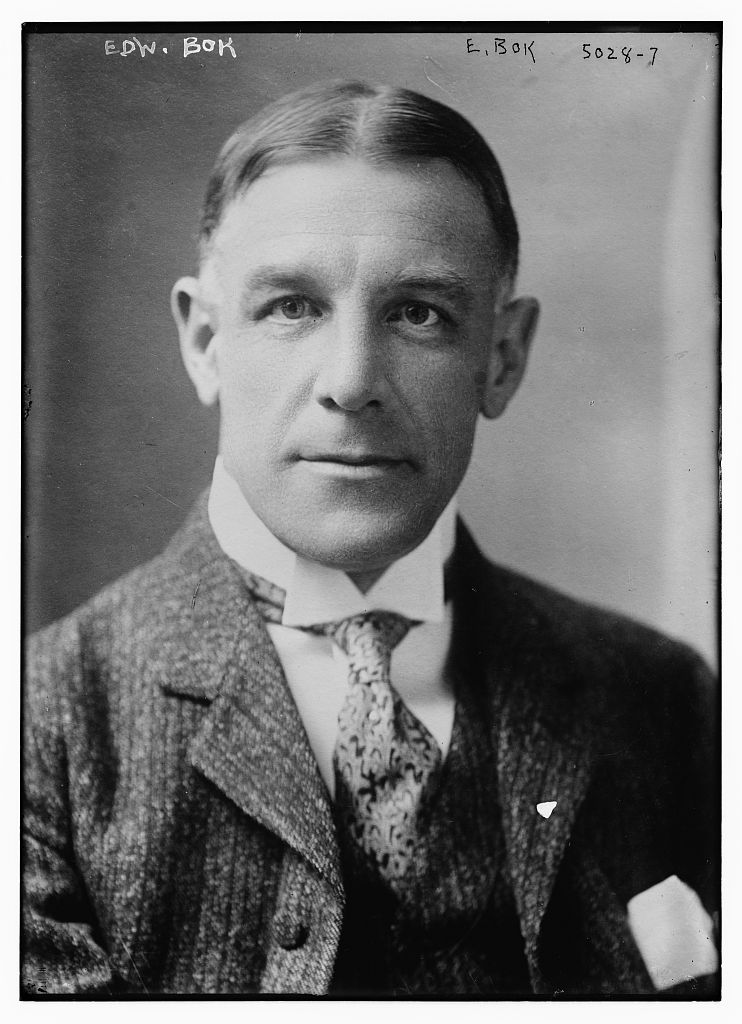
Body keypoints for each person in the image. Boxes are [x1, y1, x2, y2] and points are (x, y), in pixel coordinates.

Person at [22, 80, 719, 997]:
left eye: (418, 313)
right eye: (291, 307)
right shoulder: (40, 729)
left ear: (502, 358)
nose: (351, 382)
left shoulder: (664, 702)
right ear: (205, 342)